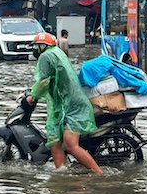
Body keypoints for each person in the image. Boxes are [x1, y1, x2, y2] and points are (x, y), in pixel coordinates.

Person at [26, 32, 103, 173]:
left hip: (71, 106)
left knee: (70, 145)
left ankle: (98, 173)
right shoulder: (57, 52)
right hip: (64, 105)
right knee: (55, 144)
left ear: (43, 47)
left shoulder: (46, 56)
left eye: (36, 47)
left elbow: (43, 81)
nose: (35, 50)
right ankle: (62, 175)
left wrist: (32, 96)